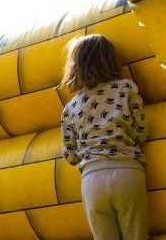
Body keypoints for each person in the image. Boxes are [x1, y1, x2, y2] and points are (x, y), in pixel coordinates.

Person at [60, 34, 148, 240]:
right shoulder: (126, 88)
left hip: (92, 179)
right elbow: (142, 132)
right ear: (111, 60)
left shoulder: (71, 107)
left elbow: (70, 155)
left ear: (75, 67)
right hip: (128, 172)